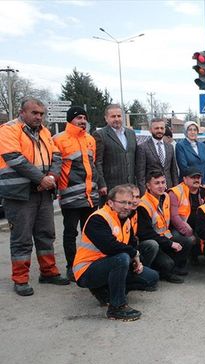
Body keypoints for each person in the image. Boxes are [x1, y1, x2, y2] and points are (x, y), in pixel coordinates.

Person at [0, 97, 68, 296]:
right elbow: (15, 159)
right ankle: (20, 279)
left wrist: (52, 178)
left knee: (46, 234)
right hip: (19, 195)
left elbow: (57, 156)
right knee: (21, 238)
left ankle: (48, 272)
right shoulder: (8, 130)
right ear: (22, 112)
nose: (39, 117)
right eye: (34, 113)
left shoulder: (45, 132)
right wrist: (41, 179)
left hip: (43, 192)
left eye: (41, 114)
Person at [73, 185, 159, 321]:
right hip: (87, 270)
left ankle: (107, 291)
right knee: (122, 258)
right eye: (122, 202)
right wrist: (134, 254)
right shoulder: (98, 218)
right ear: (111, 202)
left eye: (129, 203)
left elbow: (130, 244)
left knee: (152, 278)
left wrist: (137, 261)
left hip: (111, 263)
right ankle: (116, 307)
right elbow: (109, 247)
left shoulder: (126, 219)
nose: (127, 206)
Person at [53, 106, 101, 281]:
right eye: (78, 118)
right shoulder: (58, 139)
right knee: (70, 233)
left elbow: (92, 165)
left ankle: (89, 262)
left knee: (90, 232)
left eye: (84, 118)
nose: (82, 121)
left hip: (90, 196)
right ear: (70, 119)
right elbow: (56, 167)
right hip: (71, 197)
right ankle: (71, 266)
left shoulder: (90, 139)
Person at [137, 170, 191, 282]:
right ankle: (161, 271)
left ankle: (174, 267)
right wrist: (170, 243)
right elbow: (146, 234)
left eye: (163, 182)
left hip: (165, 236)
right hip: (153, 241)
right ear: (148, 185)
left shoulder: (165, 196)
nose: (161, 186)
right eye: (157, 183)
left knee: (187, 241)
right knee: (167, 263)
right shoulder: (143, 205)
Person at [168, 167, 205, 265]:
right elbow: (174, 217)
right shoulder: (175, 192)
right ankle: (179, 264)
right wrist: (188, 232)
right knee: (187, 240)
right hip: (180, 228)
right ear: (184, 179)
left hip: (201, 226)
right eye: (193, 177)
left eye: (198, 177)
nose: (196, 180)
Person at [94, 104, 137, 196]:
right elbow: (98, 162)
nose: (117, 119)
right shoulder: (100, 135)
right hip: (111, 188)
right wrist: (101, 184)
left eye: (119, 116)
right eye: (113, 116)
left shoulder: (131, 134)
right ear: (106, 118)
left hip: (130, 187)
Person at [135, 118, 179, 193]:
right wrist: (143, 193)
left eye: (162, 128)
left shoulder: (170, 147)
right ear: (150, 130)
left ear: (165, 129)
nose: (159, 130)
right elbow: (140, 175)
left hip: (169, 189)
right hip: (151, 191)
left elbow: (173, 171)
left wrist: (175, 190)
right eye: (156, 128)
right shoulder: (142, 148)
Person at [176, 121, 205, 186]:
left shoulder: (202, 145)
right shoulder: (180, 146)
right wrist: (196, 181)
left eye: (195, 130)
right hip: (189, 183)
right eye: (190, 130)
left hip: (203, 183)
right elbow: (183, 167)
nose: (193, 132)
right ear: (185, 132)